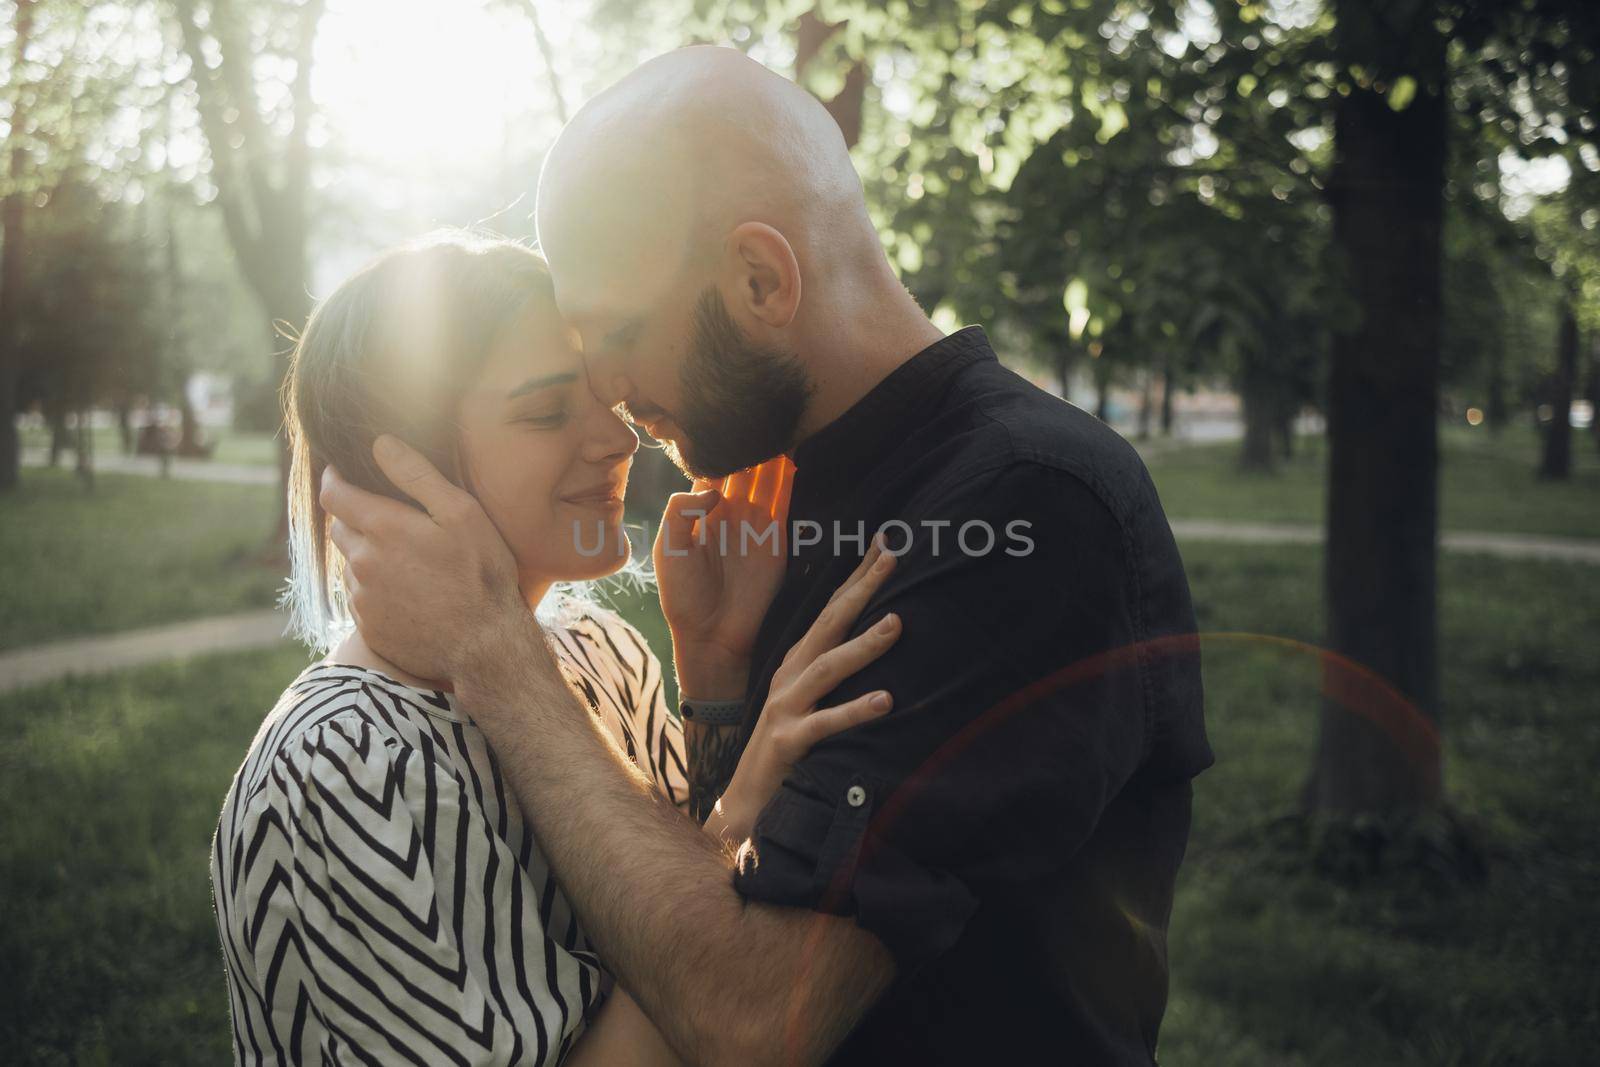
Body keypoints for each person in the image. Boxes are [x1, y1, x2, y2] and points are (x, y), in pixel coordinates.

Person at [320, 47, 1212, 1066]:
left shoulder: (1027, 503)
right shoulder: (786, 482)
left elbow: (751, 1019)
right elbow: (732, 888)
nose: (605, 387)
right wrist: (720, 690)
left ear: (758, 278)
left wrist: (495, 652)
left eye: (614, 331)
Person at [210, 232, 907, 1065]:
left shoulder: (597, 648)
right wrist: (752, 790)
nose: (620, 443)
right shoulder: (348, 766)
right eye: (546, 412)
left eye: (603, 403)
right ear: (399, 468)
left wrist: (717, 669)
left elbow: (701, 914)